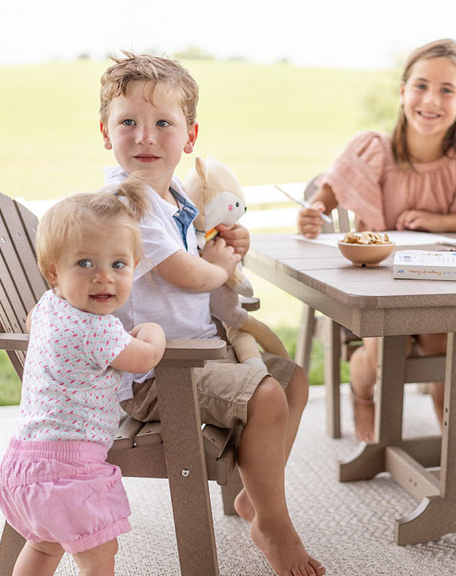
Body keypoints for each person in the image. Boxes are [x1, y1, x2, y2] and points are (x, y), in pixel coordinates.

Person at [97, 52, 324, 576]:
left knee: (290, 382)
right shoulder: (125, 204)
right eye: (128, 121)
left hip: (197, 355)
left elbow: (199, 263)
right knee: (266, 394)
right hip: (156, 371)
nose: (146, 137)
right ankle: (274, 523)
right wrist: (216, 265)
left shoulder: (172, 199)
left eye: (162, 124)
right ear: (106, 133)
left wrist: (223, 246)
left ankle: (252, 498)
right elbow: (186, 275)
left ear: (190, 137)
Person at [296, 38, 456, 442]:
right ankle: (363, 390)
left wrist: (438, 220)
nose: (431, 99)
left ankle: (453, 438)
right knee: (390, 349)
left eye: (446, 90)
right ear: (403, 91)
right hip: (376, 290)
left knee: (444, 343)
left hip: (440, 287)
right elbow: (321, 201)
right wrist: (311, 217)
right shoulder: (371, 149)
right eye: (421, 85)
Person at [0, 181, 168, 576]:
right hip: (71, 469)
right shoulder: (100, 331)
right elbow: (147, 357)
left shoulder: (46, 306)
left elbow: (30, 325)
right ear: (53, 271)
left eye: (118, 265)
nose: (104, 278)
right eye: (86, 264)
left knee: (43, 548)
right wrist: (151, 329)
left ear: (134, 266)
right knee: (99, 558)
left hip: (23, 463)